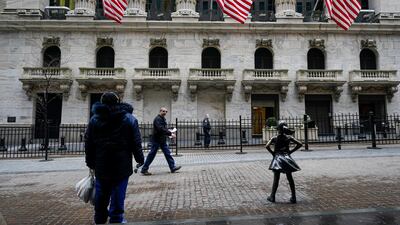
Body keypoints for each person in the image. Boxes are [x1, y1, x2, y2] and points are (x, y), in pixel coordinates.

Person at [85, 92, 144, 224]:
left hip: (102, 162)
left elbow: (89, 143)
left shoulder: (95, 119)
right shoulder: (129, 118)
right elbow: (136, 141)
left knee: (101, 193)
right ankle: (116, 219)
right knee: (118, 193)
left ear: (102, 102)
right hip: (121, 163)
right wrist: (140, 159)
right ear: (118, 102)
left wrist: (90, 162)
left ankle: (99, 219)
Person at [265, 121, 302, 204]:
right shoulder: (289, 137)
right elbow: (300, 144)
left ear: (278, 129)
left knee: (276, 178)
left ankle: (272, 196)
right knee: (290, 178)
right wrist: (290, 152)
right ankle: (294, 197)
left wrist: (273, 153)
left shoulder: (274, 138)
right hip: (286, 158)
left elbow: (267, 146)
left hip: (277, 158)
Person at [140, 107, 181, 175]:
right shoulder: (157, 119)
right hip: (156, 140)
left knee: (167, 153)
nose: (165, 113)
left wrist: (170, 130)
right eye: (163, 111)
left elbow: (163, 128)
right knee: (152, 154)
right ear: (160, 111)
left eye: (166, 111)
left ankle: (172, 167)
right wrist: (170, 133)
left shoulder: (162, 119)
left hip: (162, 140)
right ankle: (144, 169)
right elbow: (160, 129)